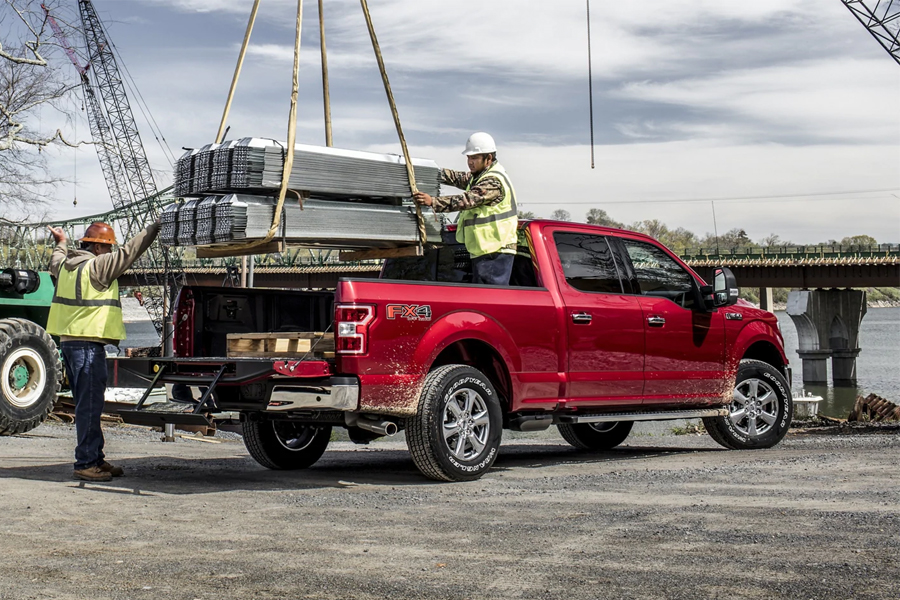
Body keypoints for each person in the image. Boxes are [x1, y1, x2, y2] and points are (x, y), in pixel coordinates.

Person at [46, 220, 160, 482]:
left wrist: (61, 241)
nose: (111, 252)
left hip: (69, 344)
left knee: (88, 404)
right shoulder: (98, 266)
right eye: (108, 247)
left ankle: (95, 457)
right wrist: (155, 227)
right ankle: (86, 462)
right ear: (98, 247)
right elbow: (130, 251)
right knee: (89, 405)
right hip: (87, 345)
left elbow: (58, 255)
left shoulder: (64, 266)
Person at [413, 132, 518, 285]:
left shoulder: (493, 181)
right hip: (484, 251)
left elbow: (465, 200)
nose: (470, 162)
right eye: (468, 157)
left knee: (490, 300)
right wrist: (427, 171)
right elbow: (456, 177)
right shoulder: (479, 176)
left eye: (474, 158)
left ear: (488, 158)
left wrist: (433, 202)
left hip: (495, 252)